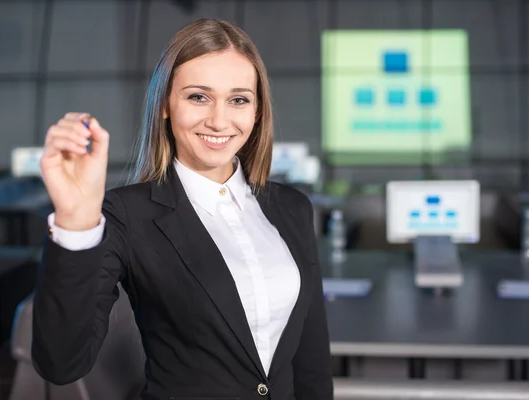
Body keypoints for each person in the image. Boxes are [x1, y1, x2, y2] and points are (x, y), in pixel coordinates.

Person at [32, 18, 333, 400]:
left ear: (257, 112)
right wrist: (75, 222)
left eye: (238, 99)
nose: (219, 120)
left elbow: (311, 362)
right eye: (198, 97)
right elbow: (61, 364)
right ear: (165, 107)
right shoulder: (126, 214)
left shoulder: (291, 208)